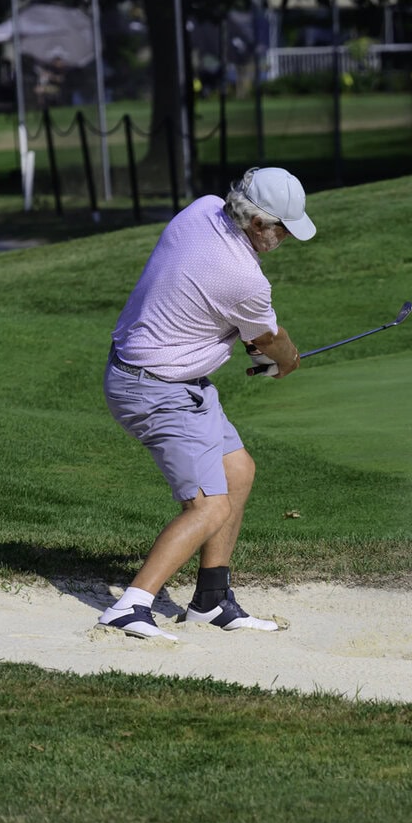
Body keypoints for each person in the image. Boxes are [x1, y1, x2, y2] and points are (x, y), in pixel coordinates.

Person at [97, 166, 316, 640]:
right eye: (281, 228)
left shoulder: (200, 211)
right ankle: (131, 605)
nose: (284, 238)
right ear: (258, 224)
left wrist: (262, 349)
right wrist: (288, 362)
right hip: (156, 389)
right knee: (209, 507)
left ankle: (211, 601)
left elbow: (233, 325)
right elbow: (272, 341)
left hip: (168, 378)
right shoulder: (245, 279)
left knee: (238, 471)